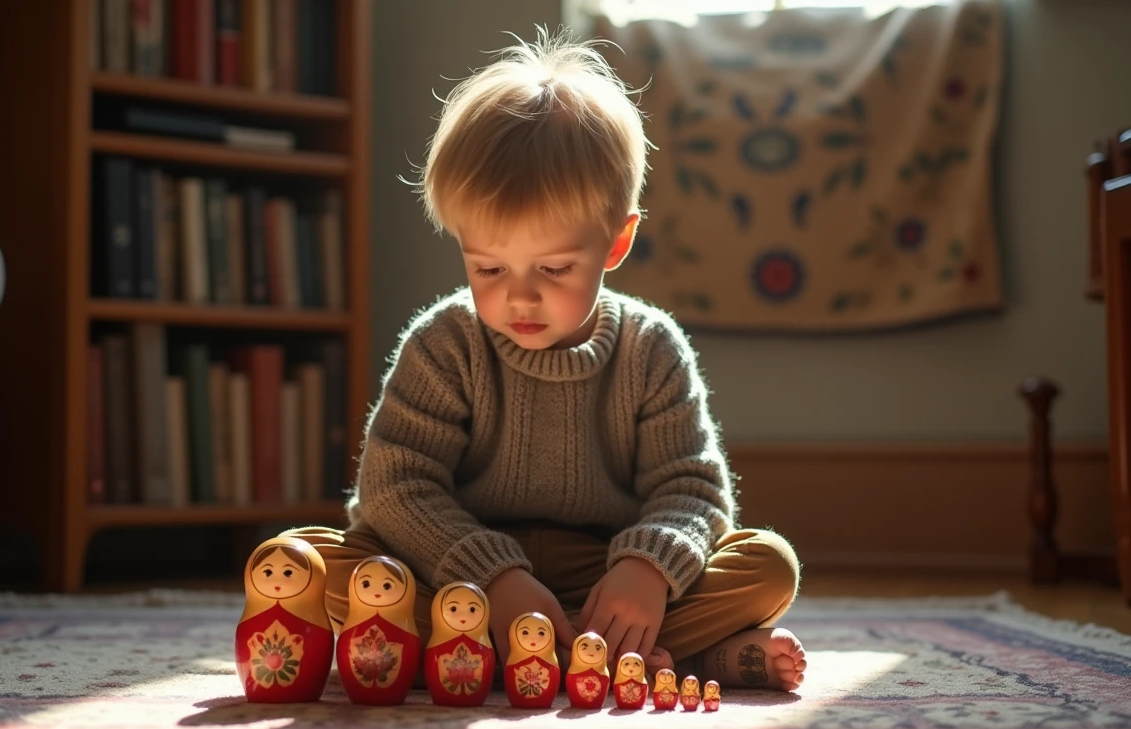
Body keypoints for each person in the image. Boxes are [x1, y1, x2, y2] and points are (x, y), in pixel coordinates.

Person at [282, 25, 806, 692]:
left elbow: (692, 490)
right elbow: (395, 487)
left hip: (603, 579)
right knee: (320, 566)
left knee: (768, 566)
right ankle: (650, 657)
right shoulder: (444, 343)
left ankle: (519, 655)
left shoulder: (651, 349)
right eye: (489, 266)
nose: (519, 295)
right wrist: (495, 580)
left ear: (616, 243)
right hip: (462, 578)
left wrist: (647, 569)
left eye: (555, 267)